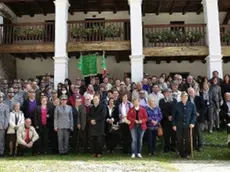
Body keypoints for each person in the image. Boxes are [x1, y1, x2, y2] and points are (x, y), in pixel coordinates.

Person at [172, 91, 196, 159]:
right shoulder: (177, 105)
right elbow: (173, 116)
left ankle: (187, 153)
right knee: (180, 139)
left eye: (185, 97)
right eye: (182, 97)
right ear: (181, 97)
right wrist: (174, 125)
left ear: (187, 97)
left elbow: (194, 115)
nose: (184, 98)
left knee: (188, 140)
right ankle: (181, 152)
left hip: (188, 125)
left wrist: (192, 123)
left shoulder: (191, 104)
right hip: (179, 126)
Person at [159, 89, 177, 153]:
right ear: (164, 94)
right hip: (165, 120)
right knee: (166, 135)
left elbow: (175, 109)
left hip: (173, 119)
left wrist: (172, 116)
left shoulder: (174, 100)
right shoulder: (161, 101)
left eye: (169, 92)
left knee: (173, 134)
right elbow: (161, 110)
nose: (168, 93)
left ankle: (173, 147)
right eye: (166, 92)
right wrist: (167, 117)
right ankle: (167, 147)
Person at [0, 93, 9, 157]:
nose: (0, 98)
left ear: (2, 98)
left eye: (1, 97)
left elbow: (7, 117)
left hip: (2, 125)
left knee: (1, 140)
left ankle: (1, 152)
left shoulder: (6, 106)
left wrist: (6, 124)